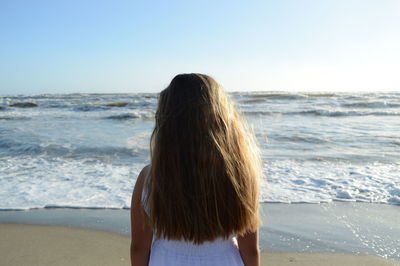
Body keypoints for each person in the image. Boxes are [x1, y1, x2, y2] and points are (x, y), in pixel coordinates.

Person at [130, 73, 262, 266]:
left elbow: (139, 247)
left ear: (166, 123)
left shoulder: (151, 177)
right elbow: (250, 249)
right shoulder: (240, 173)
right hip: (224, 260)